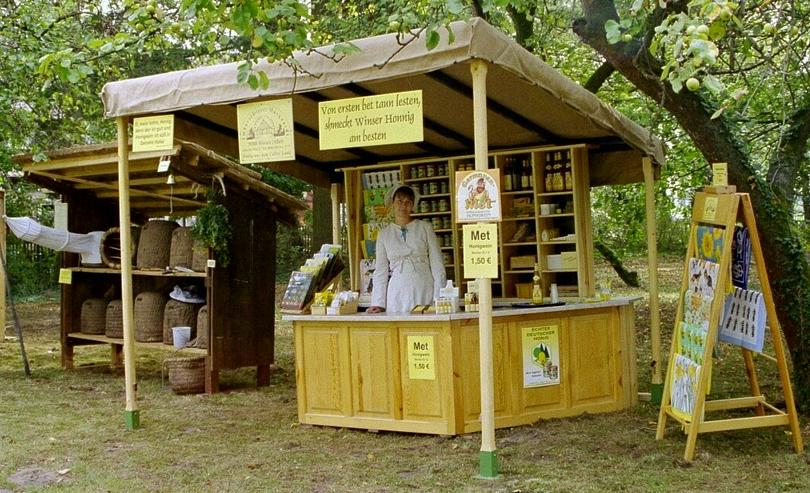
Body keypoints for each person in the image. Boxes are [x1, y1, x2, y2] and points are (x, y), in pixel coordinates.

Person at [367, 185, 446, 313]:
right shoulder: (384, 234)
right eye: (399, 201)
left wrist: (439, 297)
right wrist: (378, 303)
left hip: (424, 286)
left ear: (413, 205)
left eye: (408, 202)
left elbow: (437, 265)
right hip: (397, 291)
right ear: (392, 203)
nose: (403, 206)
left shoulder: (425, 228)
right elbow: (381, 270)